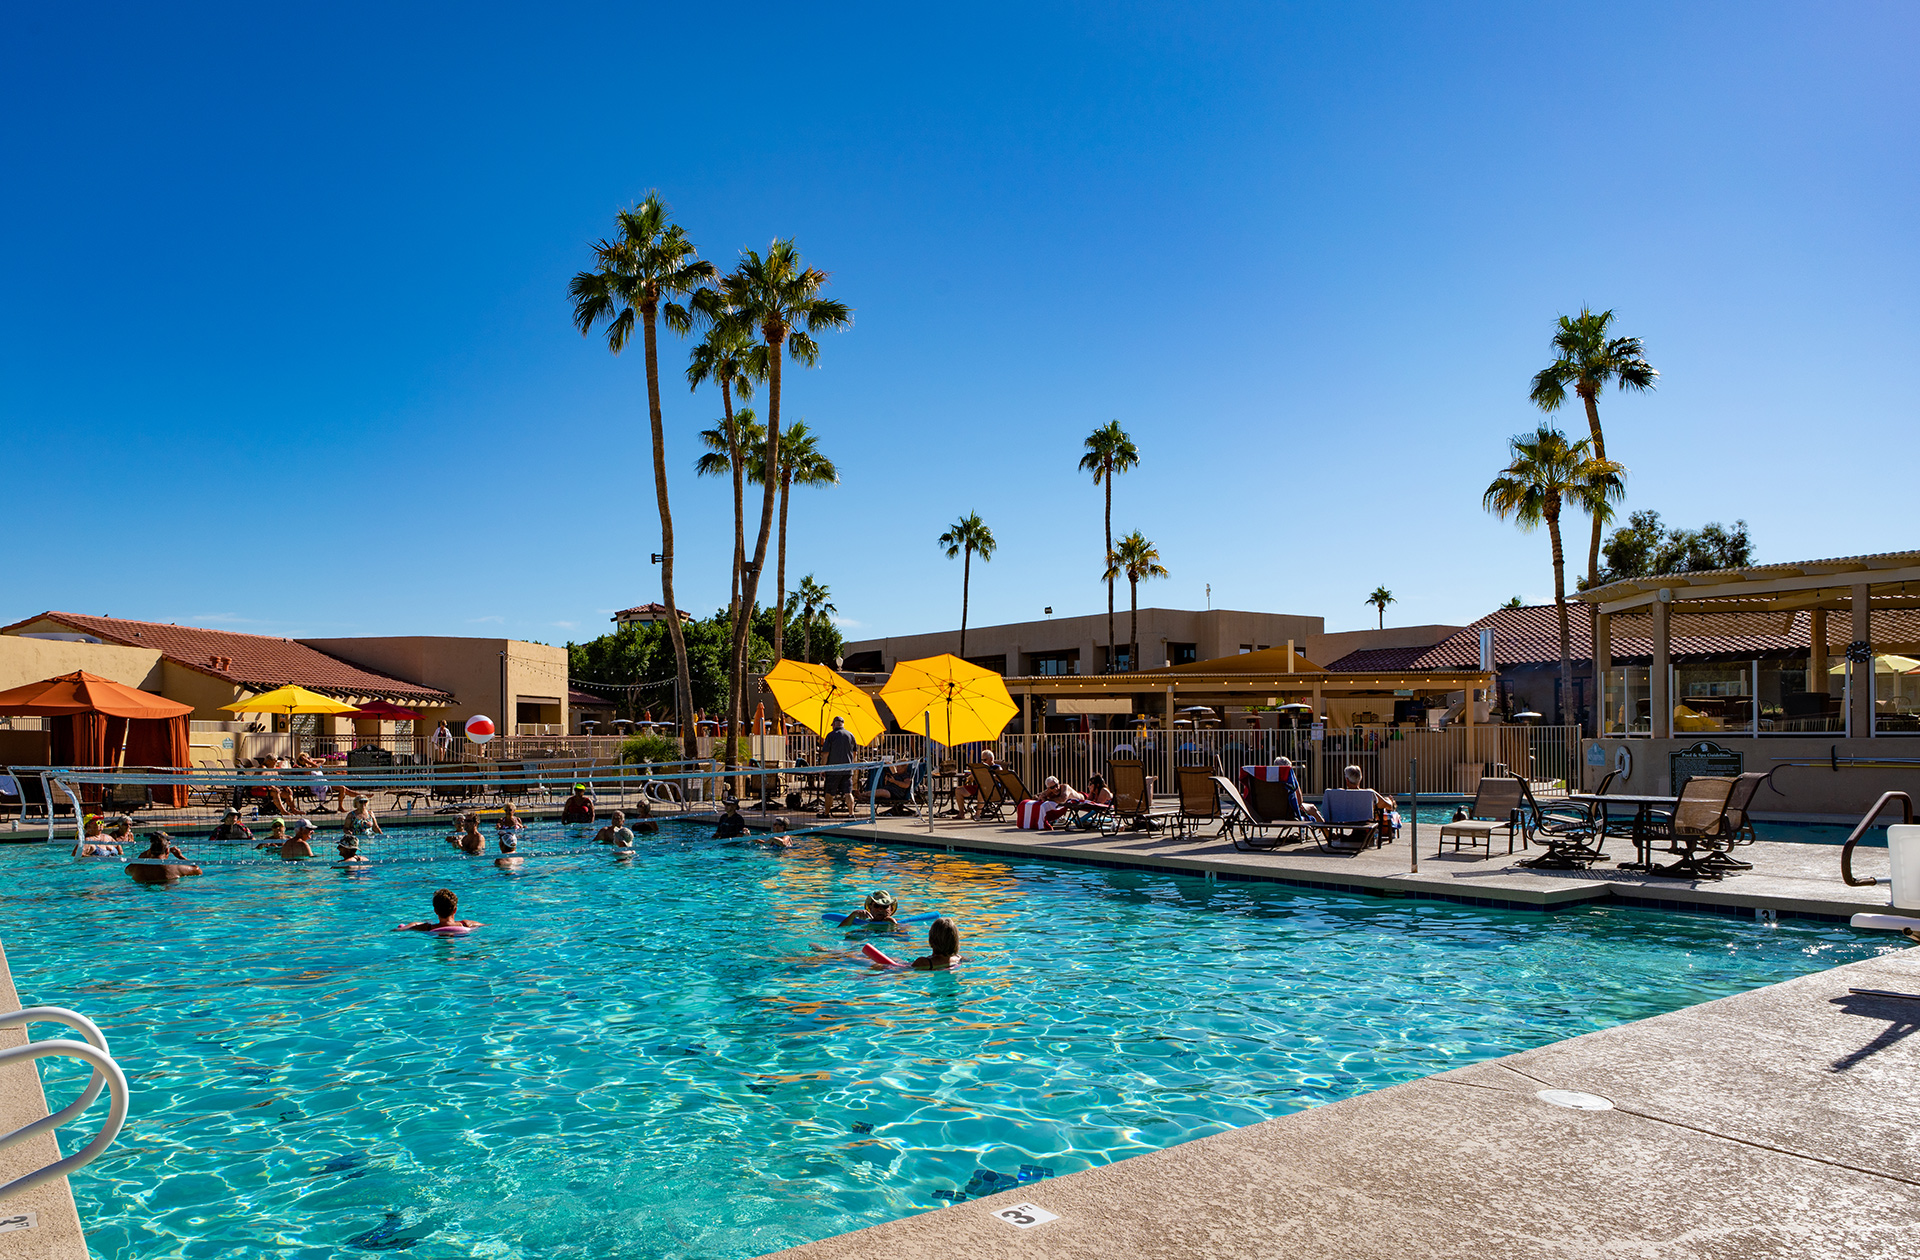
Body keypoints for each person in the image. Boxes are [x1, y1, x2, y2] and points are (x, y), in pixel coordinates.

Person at [1342, 764, 1400, 839]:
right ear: (1360, 779)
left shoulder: (1339, 794)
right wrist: (1389, 801)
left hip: (1346, 821)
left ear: (1347, 780)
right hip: (1365, 823)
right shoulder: (1369, 794)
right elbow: (1389, 806)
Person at [818, 716, 856, 816]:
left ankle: (826, 814)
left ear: (834, 724)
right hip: (847, 769)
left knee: (829, 793)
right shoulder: (851, 735)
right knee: (848, 792)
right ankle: (851, 813)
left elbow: (825, 754)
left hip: (833, 770)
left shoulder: (830, 736)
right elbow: (854, 753)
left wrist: (823, 768)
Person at [395, 887, 481, 932]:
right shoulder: (465, 924)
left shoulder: (427, 927)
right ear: (455, 910)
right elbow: (488, 925)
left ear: (435, 911)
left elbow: (403, 929)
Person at [126, 832, 201, 883]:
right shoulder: (176, 867)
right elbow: (197, 870)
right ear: (167, 850)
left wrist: (142, 856)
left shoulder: (137, 868)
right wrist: (180, 857)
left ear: (150, 850)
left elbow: (127, 871)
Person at [1274, 757, 1323, 822]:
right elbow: (1299, 802)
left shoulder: (1269, 782)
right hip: (1290, 813)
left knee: (1314, 811)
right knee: (1313, 808)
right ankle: (1327, 831)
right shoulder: (1290, 780)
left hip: (1272, 813)